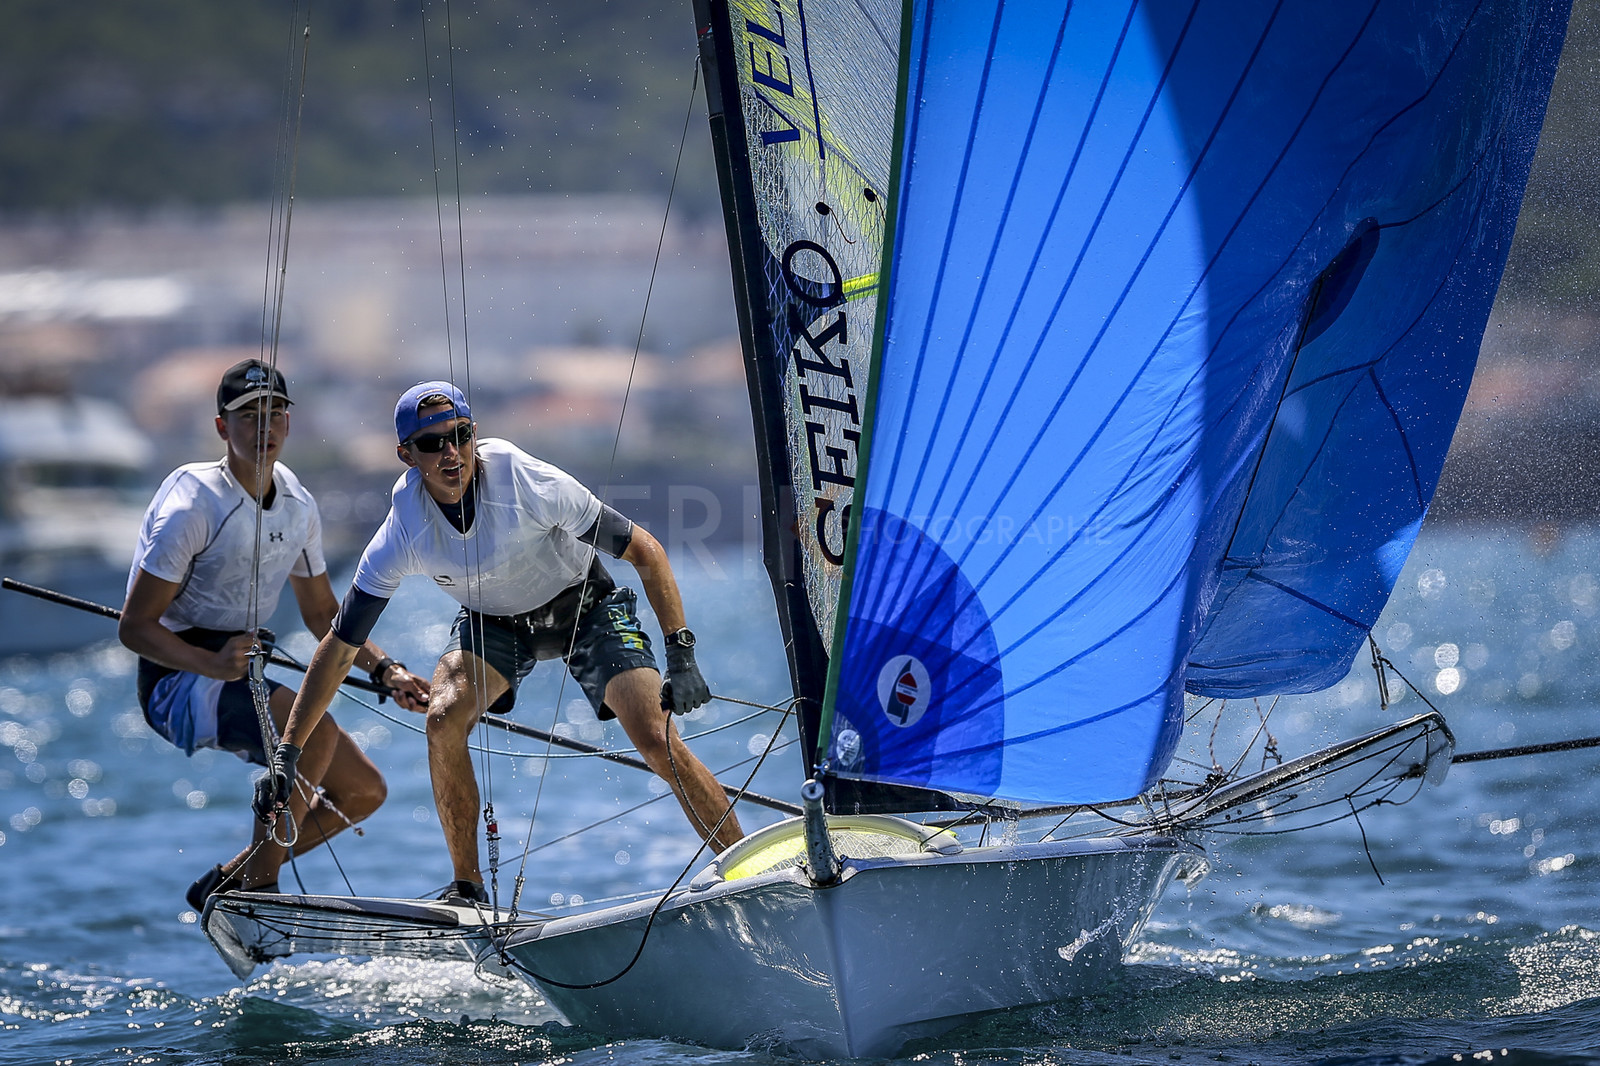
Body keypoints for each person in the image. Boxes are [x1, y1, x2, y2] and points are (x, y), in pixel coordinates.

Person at [263, 381, 743, 904]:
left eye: (460, 435)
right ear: (406, 456)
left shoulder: (526, 481)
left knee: (654, 737)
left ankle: (743, 868)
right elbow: (339, 646)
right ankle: (467, 890)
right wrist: (288, 752)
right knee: (443, 719)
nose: (451, 453)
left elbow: (645, 550)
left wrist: (681, 652)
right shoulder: (404, 529)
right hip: (494, 621)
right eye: (431, 444)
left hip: (585, 605)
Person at [119, 358, 430, 909]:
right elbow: (135, 628)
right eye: (248, 416)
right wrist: (212, 663)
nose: (264, 428)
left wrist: (388, 670)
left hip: (240, 668)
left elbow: (324, 614)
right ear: (222, 427)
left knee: (363, 791)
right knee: (314, 733)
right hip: (176, 681)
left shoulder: (298, 504)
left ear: (289, 422)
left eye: (276, 414)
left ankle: (227, 884)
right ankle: (260, 892)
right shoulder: (192, 506)